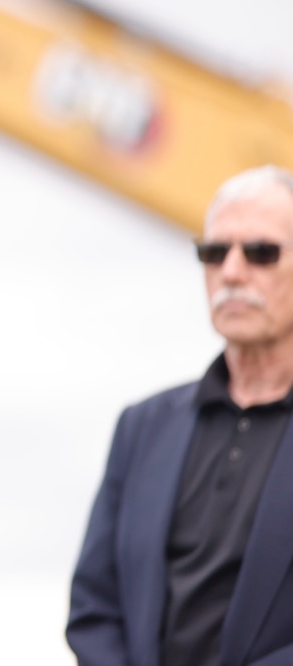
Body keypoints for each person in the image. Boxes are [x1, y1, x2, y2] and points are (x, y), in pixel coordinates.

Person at [68, 165, 293, 666]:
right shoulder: (143, 427)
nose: (232, 272)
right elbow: (94, 607)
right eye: (214, 252)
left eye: (261, 252)